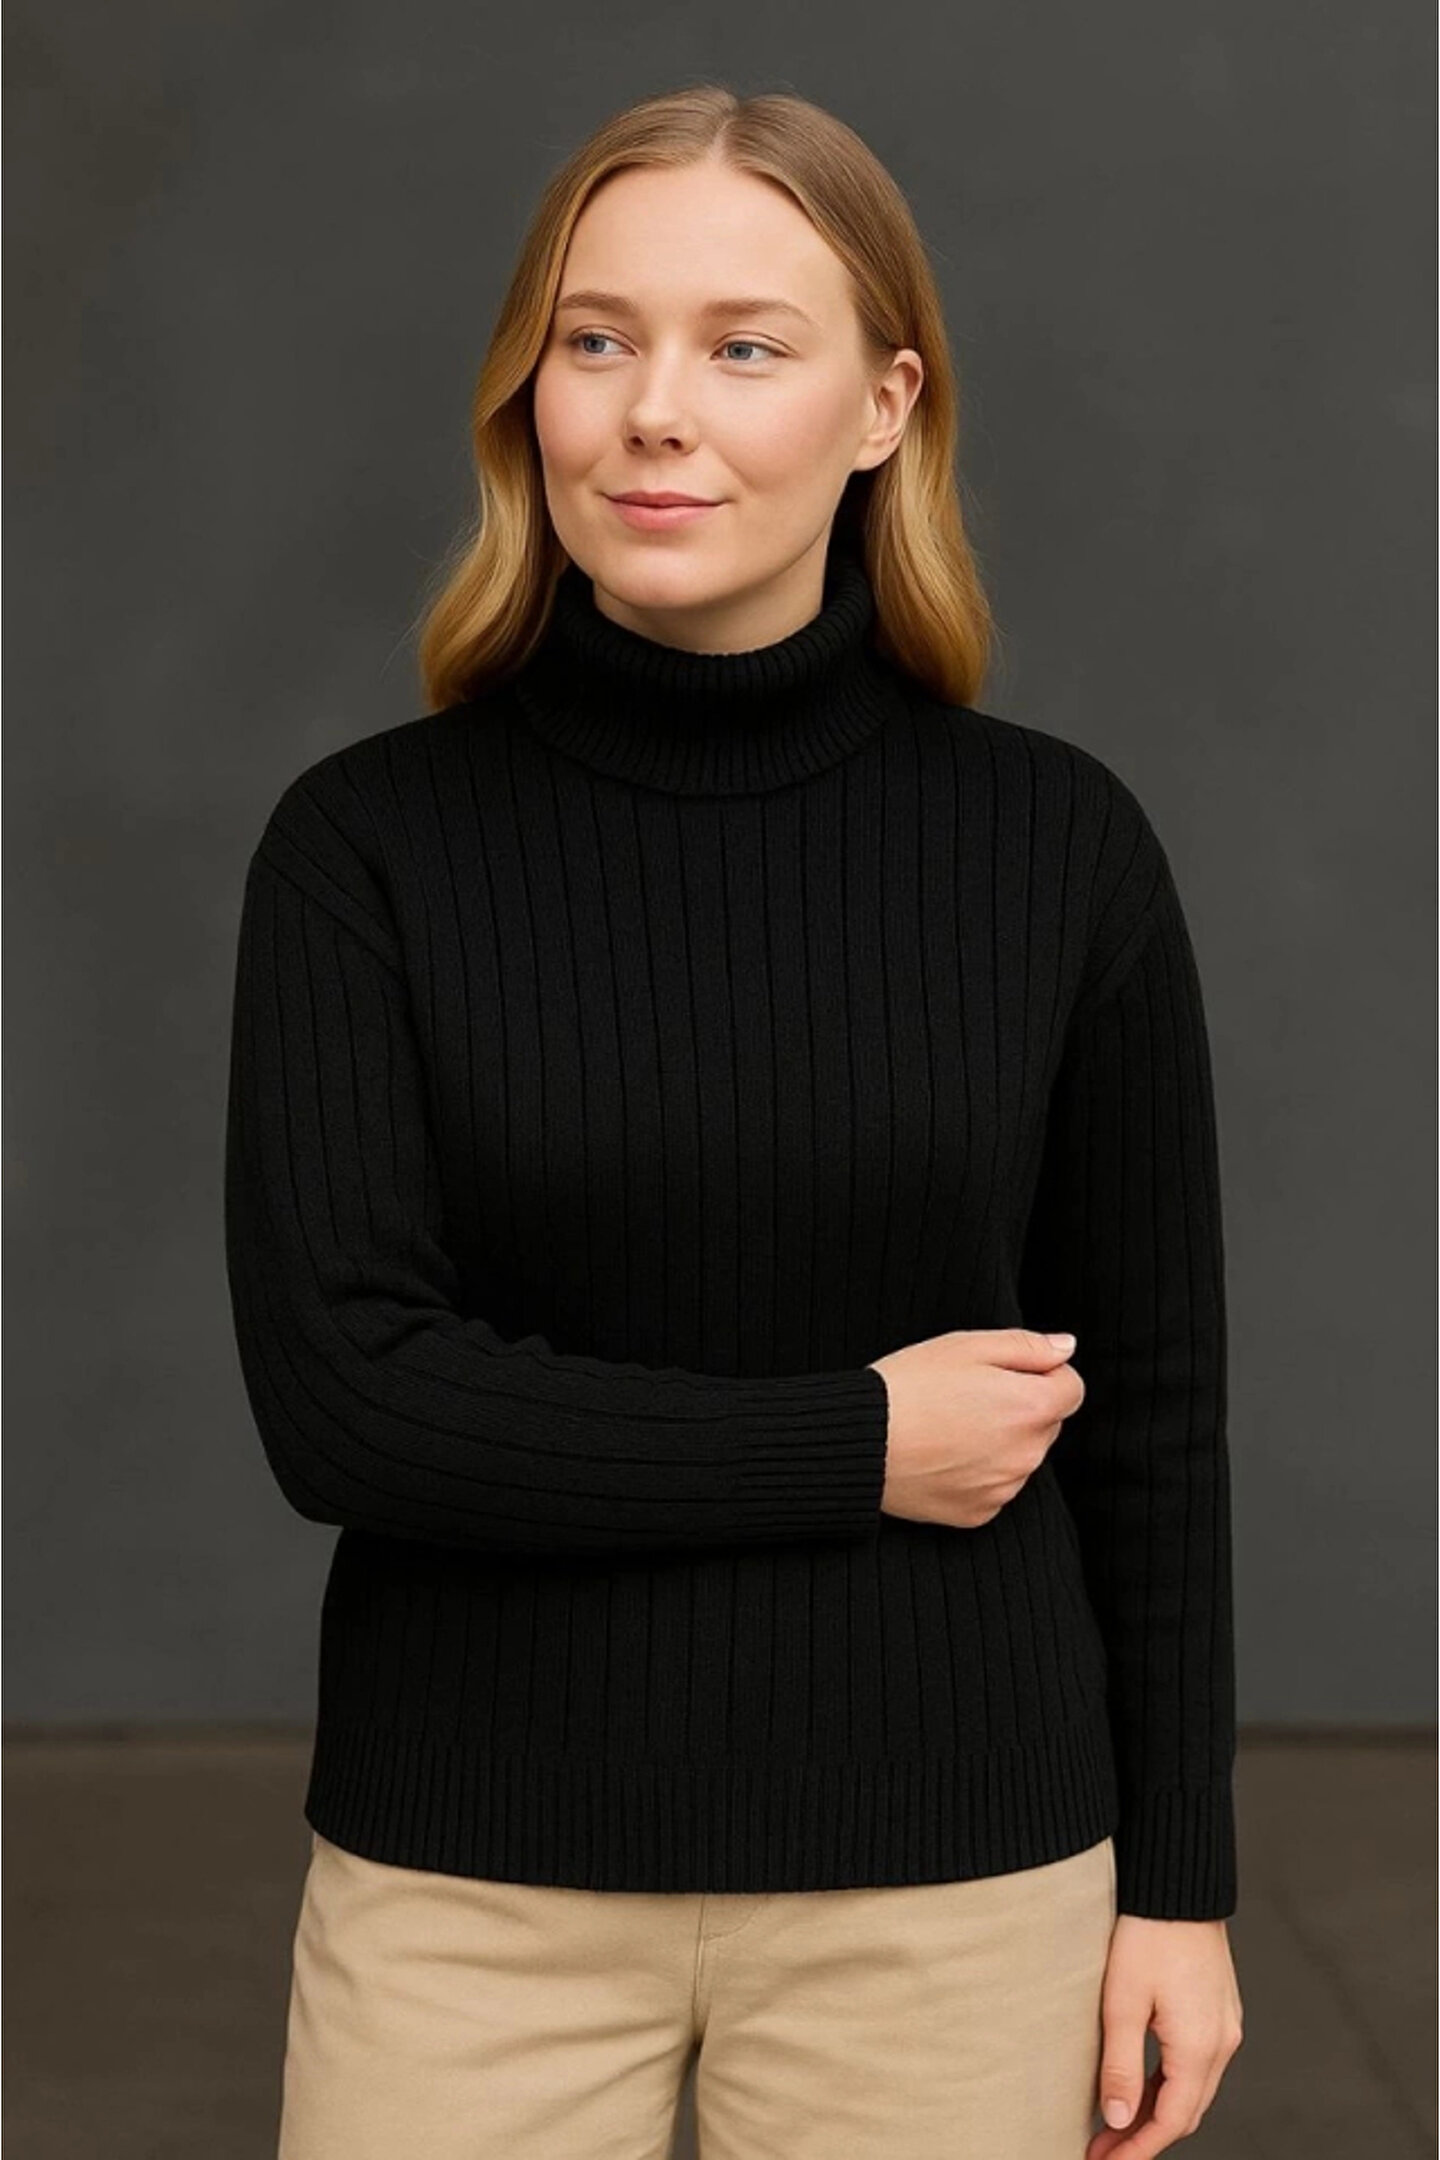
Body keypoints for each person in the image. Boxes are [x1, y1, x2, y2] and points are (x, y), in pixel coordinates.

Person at [224, 81, 1244, 2160]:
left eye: (744, 346)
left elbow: (1152, 1419)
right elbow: (350, 1404)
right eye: (595, 339)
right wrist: (859, 1442)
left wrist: (1182, 1888)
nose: (653, 413)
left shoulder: (1057, 850)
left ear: (885, 407)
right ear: (528, 392)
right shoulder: (367, 850)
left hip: (955, 1885)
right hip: (471, 1881)